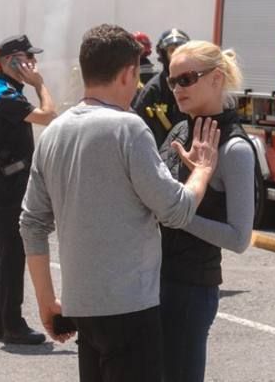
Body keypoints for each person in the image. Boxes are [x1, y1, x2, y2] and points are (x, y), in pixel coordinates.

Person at [19, 24, 221, 382]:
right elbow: (175, 210)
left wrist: (46, 302)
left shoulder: (53, 134)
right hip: (130, 309)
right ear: (129, 72)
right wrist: (202, 170)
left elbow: (32, 224)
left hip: (82, 308)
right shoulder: (128, 129)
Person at [157, 40, 256, 382]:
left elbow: (239, 238)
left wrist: (179, 216)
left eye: (186, 79)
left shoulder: (235, 148)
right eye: (171, 81)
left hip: (190, 288)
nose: (176, 89)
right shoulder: (181, 130)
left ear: (216, 79)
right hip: (152, 280)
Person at [0, 34, 57, 345]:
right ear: (11, 62)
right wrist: (40, 84)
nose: (33, 64)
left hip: (9, 181)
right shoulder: (3, 92)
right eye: (27, 58)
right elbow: (49, 116)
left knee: (7, 251)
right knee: (13, 253)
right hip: (8, 184)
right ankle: (12, 324)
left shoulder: (5, 88)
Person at [132, 28, 190, 147]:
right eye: (172, 50)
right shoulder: (153, 90)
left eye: (181, 50)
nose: (177, 55)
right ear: (164, 54)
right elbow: (137, 130)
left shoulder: (196, 83)